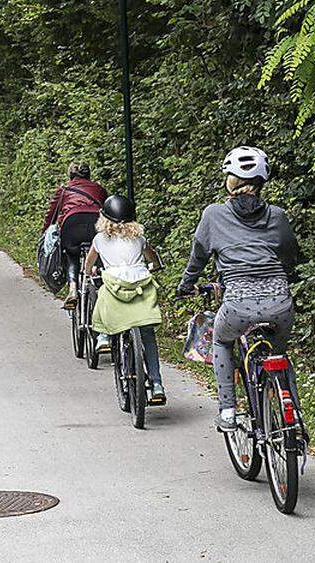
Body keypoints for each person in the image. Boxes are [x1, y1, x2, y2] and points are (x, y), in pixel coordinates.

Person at [176, 146, 300, 433]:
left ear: (230, 181)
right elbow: (290, 254)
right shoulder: (277, 215)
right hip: (280, 303)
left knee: (221, 341)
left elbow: (198, 256)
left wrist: (185, 285)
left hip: (237, 306)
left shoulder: (214, 214)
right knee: (279, 358)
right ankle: (291, 415)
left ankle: (229, 411)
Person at [84, 195, 167, 405]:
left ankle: (102, 336)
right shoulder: (139, 239)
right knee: (147, 335)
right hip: (140, 286)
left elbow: (89, 263)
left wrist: (89, 272)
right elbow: (153, 259)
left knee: (102, 297)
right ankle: (156, 385)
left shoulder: (99, 240)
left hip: (115, 285)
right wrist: (155, 266)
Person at [40, 162, 107, 309]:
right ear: (89, 175)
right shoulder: (99, 189)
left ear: (70, 176)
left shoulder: (63, 190)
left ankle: (72, 289)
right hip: (96, 223)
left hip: (72, 223)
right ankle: (101, 287)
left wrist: (44, 232)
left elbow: (51, 216)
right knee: (99, 251)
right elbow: (108, 212)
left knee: (71, 253)